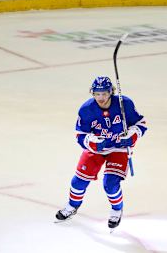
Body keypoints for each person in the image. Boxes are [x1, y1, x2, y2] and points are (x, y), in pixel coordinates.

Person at [55, 76, 147, 229]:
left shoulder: (125, 104)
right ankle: (72, 206)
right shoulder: (86, 109)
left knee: (110, 184)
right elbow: (80, 134)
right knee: (78, 181)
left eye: (104, 93)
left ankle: (117, 210)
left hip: (118, 148)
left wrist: (132, 135)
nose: (101, 98)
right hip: (96, 148)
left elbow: (141, 123)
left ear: (111, 92)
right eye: (97, 94)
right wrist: (93, 142)